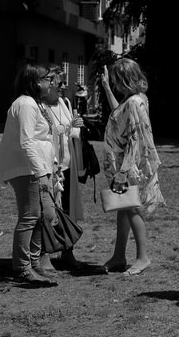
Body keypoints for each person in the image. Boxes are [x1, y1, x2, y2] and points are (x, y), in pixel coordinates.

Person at [101, 58, 165, 277]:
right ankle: (119, 255)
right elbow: (119, 116)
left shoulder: (135, 102)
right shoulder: (133, 100)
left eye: (117, 81)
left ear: (125, 79)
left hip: (128, 166)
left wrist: (123, 171)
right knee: (124, 207)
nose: (116, 85)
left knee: (132, 208)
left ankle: (142, 257)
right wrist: (107, 88)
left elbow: (135, 138)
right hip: (124, 165)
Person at [0, 64, 58, 286]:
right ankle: (22, 267)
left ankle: (33, 263)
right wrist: (40, 172)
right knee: (30, 216)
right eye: (47, 78)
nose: (51, 82)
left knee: (40, 216)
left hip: (34, 167)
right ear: (34, 82)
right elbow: (26, 141)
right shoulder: (26, 104)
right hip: (27, 169)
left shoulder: (34, 103)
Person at [41, 67, 87, 272]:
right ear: (49, 85)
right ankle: (43, 256)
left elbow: (69, 131)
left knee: (67, 211)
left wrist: (77, 124)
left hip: (67, 166)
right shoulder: (39, 106)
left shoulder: (65, 102)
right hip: (49, 168)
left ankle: (68, 252)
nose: (63, 88)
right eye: (59, 84)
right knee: (47, 212)